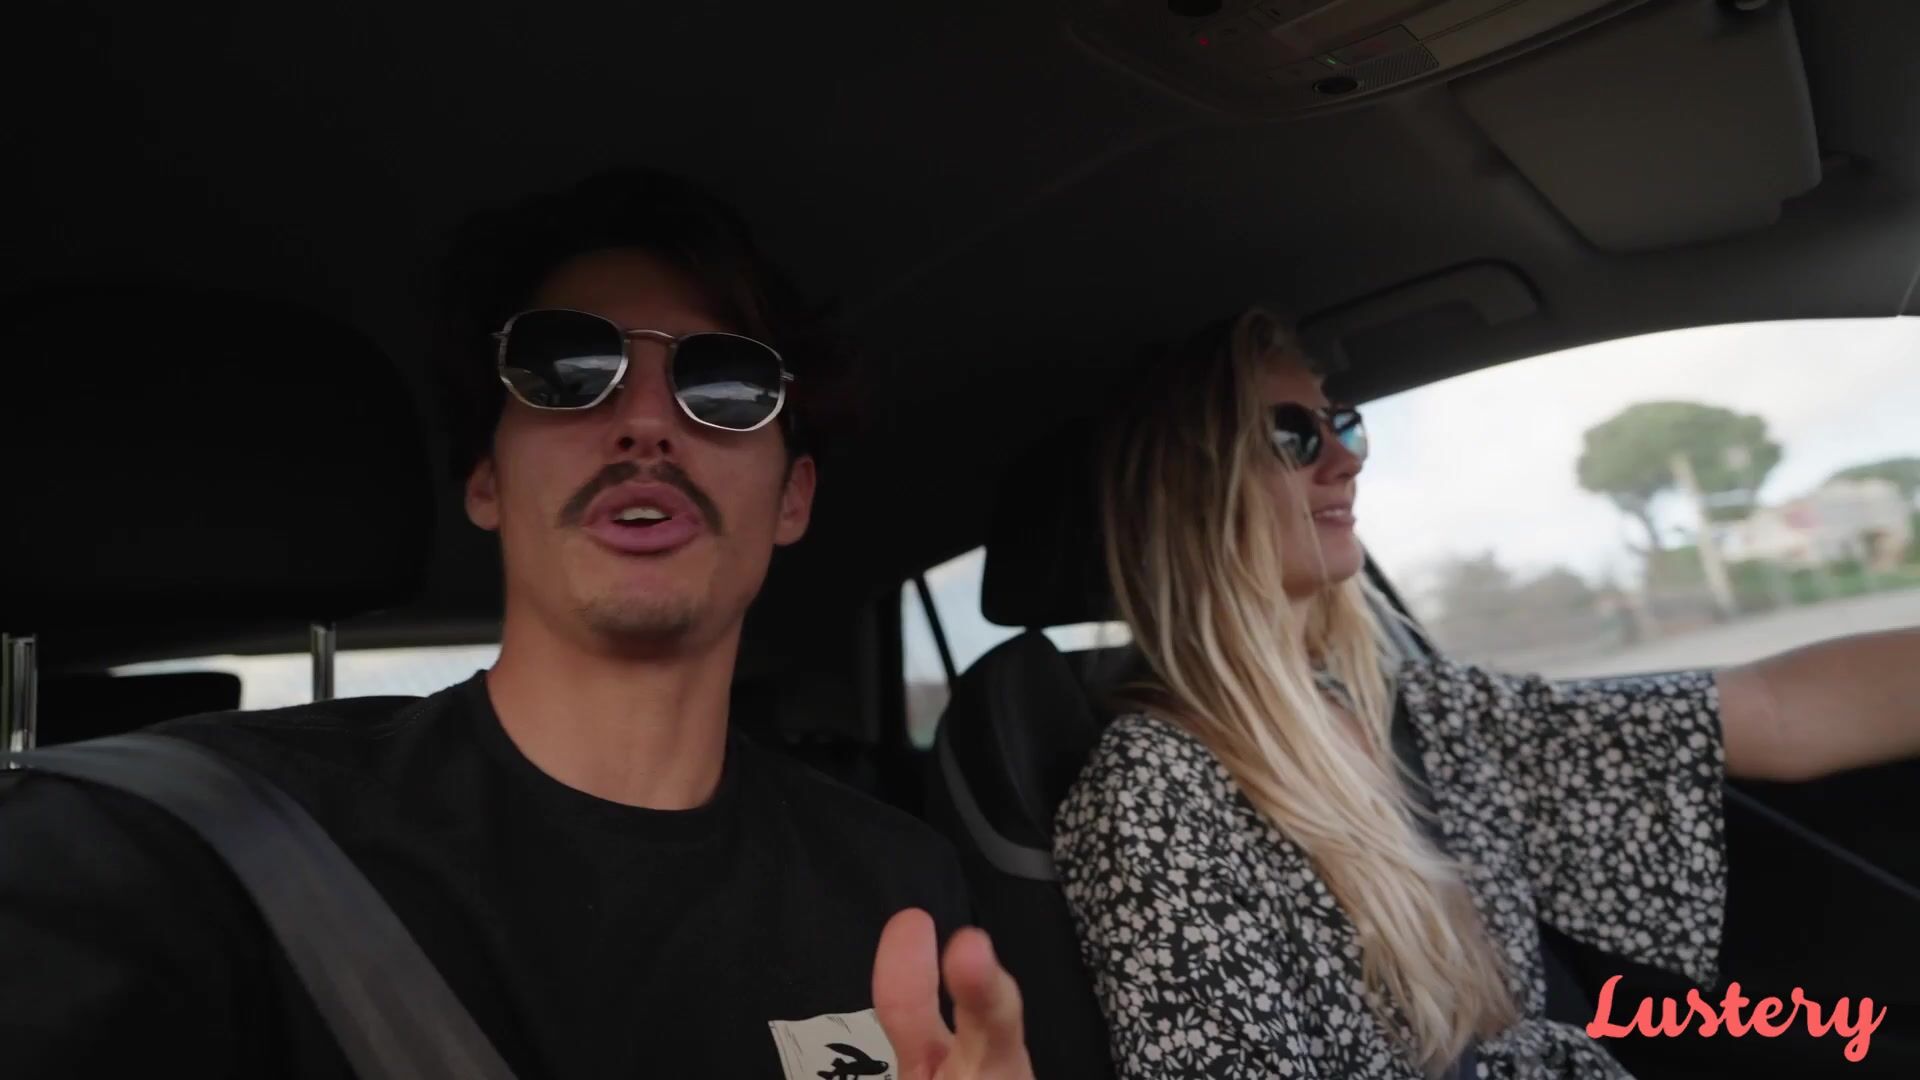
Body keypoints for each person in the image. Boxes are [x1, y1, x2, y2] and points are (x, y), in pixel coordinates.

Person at [0, 171, 1032, 1080]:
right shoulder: (194, 848)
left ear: (793, 498)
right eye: (565, 370)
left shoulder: (900, 884)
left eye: (725, 384)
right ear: (485, 479)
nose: (646, 422)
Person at [1052, 307, 1920, 1079]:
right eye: (1291, 437)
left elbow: (1771, 710)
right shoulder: (1153, 789)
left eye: (1343, 425)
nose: (1345, 462)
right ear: (1187, 490)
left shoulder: (1415, 710)